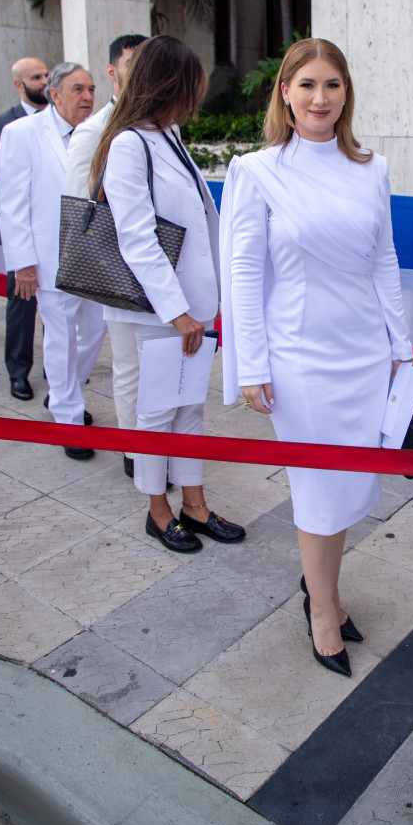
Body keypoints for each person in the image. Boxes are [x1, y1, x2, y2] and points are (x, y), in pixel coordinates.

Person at [221, 37, 413, 676]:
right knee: (318, 487)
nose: (320, 97)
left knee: (349, 484)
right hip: (299, 360)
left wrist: (399, 346)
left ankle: (320, 589)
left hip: (365, 354)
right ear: (285, 92)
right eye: (307, 84)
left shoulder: (372, 168)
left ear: (346, 93)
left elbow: (384, 259)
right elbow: (244, 273)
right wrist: (251, 364)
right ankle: (323, 612)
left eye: (332, 84)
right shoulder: (258, 172)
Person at [92, 35, 245, 553]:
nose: (198, 91)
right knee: (158, 411)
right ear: (170, 82)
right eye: (193, 81)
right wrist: (178, 312)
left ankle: (194, 505)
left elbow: (199, 221)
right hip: (163, 310)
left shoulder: (168, 134)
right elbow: (137, 237)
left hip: (192, 307)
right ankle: (158, 512)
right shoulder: (128, 143)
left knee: (189, 409)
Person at [0, 63, 106, 460]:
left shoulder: (98, 134)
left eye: (91, 89)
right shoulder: (21, 133)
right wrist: (23, 264)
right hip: (48, 259)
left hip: (92, 258)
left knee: (95, 330)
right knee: (61, 338)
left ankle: (63, 392)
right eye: (78, 89)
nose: (87, 96)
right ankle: (68, 418)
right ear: (55, 94)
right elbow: (11, 202)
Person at [65, 33, 147, 478]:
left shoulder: (162, 126)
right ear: (113, 71)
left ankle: (158, 445)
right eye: (134, 63)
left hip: (159, 267)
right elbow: (81, 209)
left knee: (157, 365)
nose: (144, 71)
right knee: (130, 364)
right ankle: (135, 452)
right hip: (120, 269)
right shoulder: (94, 131)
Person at [0, 57, 49, 401]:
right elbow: (5, 181)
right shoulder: (2, 125)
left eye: (46, 75)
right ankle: (18, 373)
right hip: (22, 232)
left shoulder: (61, 121)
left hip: (56, 234)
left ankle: (56, 369)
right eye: (36, 77)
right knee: (21, 306)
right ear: (19, 84)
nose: (44, 81)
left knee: (58, 309)